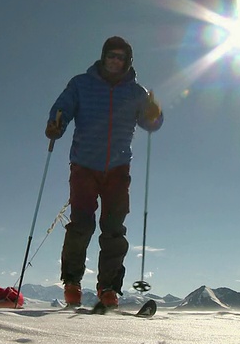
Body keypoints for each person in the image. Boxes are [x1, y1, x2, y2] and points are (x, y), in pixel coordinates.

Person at [45, 36, 163, 308]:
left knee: (113, 229)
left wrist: (155, 113)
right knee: (81, 224)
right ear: (103, 57)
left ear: (127, 62)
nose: (115, 60)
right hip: (84, 165)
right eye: (111, 55)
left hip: (118, 169)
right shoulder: (81, 84)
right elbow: (63, 109)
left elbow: (151, 123)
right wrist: (55, 126)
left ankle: (108, 289)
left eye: (120, 57)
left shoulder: (136, 93)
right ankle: (72, 283)